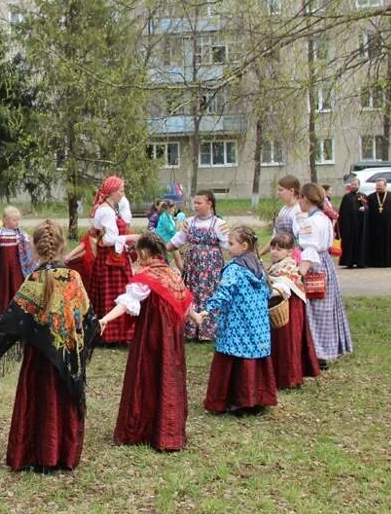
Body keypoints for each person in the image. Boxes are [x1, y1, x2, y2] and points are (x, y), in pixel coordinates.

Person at [0, 220, 98, 472]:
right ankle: (63, 455)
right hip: (67, 356)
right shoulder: (73, 277)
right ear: (63, 245)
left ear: (34, 247)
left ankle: (38, 453)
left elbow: (14, 317)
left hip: (39, 359)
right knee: (63, 402)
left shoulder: (34, 279)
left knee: (41, 403)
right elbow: (88, 316)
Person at [98, 233, 194, 452]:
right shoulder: (172, 274)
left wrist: (105, 319)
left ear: (143, 253)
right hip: (172, 338)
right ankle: (169, 429)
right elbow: (184, 301)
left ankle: (143, 428)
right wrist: (196, 317)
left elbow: (126, 303)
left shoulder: (147, 277)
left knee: (148, 375)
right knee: (169, 374)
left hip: (152, 336)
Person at [195, 226, 277, 415]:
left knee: (236, 360)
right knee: (253, 358)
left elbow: (224, 292)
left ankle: (236, 401)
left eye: (231, 244)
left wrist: (207, 310)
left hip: (236, 325)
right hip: (257, 325)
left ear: (244, 245)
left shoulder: (234, 269)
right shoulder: (258, 266)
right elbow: (268, 291)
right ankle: (256, 400)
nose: (227, 247)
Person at [297, 182, 354, 367]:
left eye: (300, 197)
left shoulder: (310, 222)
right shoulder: (323, 218)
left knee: (314, 311)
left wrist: (299, 274)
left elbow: (310, 250)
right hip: (326, 264)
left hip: (314, 267)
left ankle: (318, 353)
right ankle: (326, 349)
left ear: (305, 198)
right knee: (326, 309)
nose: (299, 201)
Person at [167, 190, 228, 342]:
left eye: (199, 203)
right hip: (192, 267)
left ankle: (208, 332)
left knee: (209, 294)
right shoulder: (189, 222)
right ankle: (190, 330)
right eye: (195, 202)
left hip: (211, 268)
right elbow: (177, 241)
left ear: (209, 204)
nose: (196, 206)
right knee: (191, 294)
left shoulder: (219, 224)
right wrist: (158, 249)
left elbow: (229, 244)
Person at [87, 176, 141, 344]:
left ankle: (116, 334)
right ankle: (111, 335)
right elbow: (110, 239)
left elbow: (98, 233)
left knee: (116, 293)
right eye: (121, 190)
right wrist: (134, 237)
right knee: (114, 294)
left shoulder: (110, 208)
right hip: (111, 260)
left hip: (111, 258)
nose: (123, 193)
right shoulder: (106, 211)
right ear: (112, 192)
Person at [266, 231, 320, 390]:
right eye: (273, 248)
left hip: (290, 308)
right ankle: (277, 374)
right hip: (281, 306)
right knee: (278, 342)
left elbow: (283, 287)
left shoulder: (289, 266)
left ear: (290, 251)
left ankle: (289, 377)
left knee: (288, 342)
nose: (274, 251)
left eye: (279, 249)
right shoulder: (277, 265)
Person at [363, 178, 391, 268]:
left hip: (389, 227)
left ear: (385, 186)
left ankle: (390, 262)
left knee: (389, 244)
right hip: (374, 226)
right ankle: (374, 263)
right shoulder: (371, 197)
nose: (378, 187)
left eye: (380, 186)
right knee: (375, 244)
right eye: (377, 186)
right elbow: (366, 210)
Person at [337, 177, 368, 269]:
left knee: (360, 242)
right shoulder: (347, 197)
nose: (353, 186)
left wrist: (364, 208)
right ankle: (349, 262)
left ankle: (360, 262)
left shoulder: (362, 196)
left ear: (359, 185)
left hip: (360, 225)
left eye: (355, 184)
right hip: (349, 225)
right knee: (349, 243)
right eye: (352, 184)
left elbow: (367, 206)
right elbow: (342, 211)